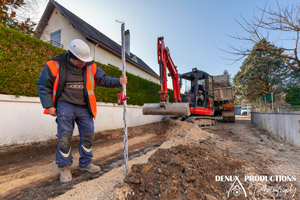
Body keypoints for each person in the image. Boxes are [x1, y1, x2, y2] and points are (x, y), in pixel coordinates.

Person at [37, 39, 127, 183]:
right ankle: (65, 167)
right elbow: (43, 86)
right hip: (65, 105)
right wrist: (49, 106)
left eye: (85, 60)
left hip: (85, 107)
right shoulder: (55, 65)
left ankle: (85, 163)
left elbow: (103, 80)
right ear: (72, 56)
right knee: (64, 136)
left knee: (88, 134)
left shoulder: (90, 66)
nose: (84, 63)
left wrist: (119, 81)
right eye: (81, 61)